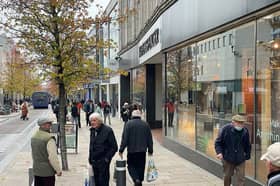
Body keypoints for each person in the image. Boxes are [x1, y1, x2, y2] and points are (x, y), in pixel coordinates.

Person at [119, 109, 153, 186]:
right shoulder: (145, 124)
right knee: (141, 166)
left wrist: (121, 150)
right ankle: (139, 180)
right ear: (140, 116)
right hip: (142, 151)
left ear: (132, 116)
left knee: (131, 165)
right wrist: (150, 150)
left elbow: (125, 138)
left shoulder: (128, 124)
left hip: (132, 150)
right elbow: (149, 138)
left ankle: (136, 179)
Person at [215, 114, 251, 186]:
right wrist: (219, 152)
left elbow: (247, 144)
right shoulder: (225, 129)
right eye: (238, 122)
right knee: (227, 176)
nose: (240, 125)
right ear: (233, 122)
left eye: (242, 123)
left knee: (241, 178)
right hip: (228, 158)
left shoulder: (245, 131)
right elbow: (218, 142)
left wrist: (247, 155)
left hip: (240, 158)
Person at [88, 113, 118, 186]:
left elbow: (114, 147)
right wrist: (90, 158)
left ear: (99, 121)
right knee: (96, 182)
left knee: (103, 182)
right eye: (91, 121)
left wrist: (107, 159)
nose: (92, 122)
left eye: (94, 120)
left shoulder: (108, 130)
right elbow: (91, 145)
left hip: (103, 162)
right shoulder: (92, 130)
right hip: (94, 161)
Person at [31, 117, 62, 186]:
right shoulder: (49, 138)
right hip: (47, 172)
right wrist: (58, 170)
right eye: (48, 124)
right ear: (42, 125)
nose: (51, 125)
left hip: (37, 170)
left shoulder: (34, 137)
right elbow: (53, 157)